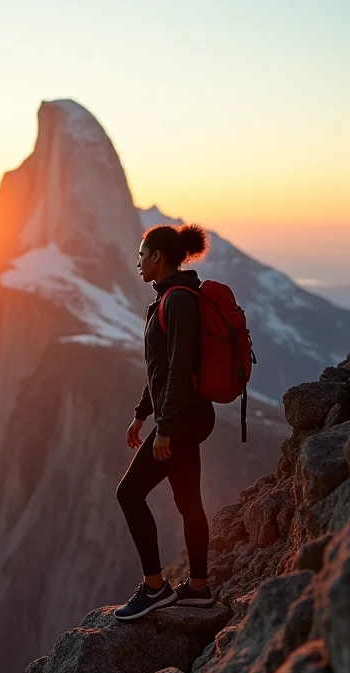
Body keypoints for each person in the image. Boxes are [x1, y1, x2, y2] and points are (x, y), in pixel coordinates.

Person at [114, 223, 216, 621]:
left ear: (158, 256)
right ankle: (199, 590)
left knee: (129, 494)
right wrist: (142, 414)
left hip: (185, 418)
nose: (137, 262)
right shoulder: (171, 299)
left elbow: (175, 371)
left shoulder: (176, 302)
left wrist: (166, 428)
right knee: (188, 501)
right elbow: (159, 371)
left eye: (142, 254)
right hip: (186, 414)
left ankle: (155, 587)